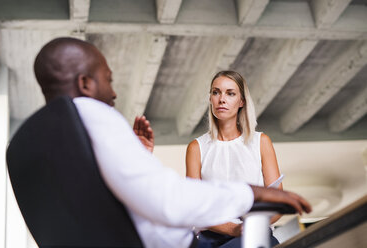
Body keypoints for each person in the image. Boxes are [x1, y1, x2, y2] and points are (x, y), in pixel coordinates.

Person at [33, 37, 311, 248]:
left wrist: (139, 156)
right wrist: (252, 194)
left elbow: (122, 200)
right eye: (109, 79)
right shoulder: (98, 117)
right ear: (85, 83)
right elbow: (170, 200)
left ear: (241, 101)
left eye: (229, 93)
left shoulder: (43, 139)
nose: (114, 92)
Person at [186, 71, 283, 247]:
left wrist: (251, 226)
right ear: (210, 98)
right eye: (216, 92)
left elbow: (278, 204)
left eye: (230, 93)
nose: (221, 99)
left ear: (241, 101)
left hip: (254, 235)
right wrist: (233, 229)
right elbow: (194, 208)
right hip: (210, 240)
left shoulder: (261, 142)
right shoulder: (196, 148)